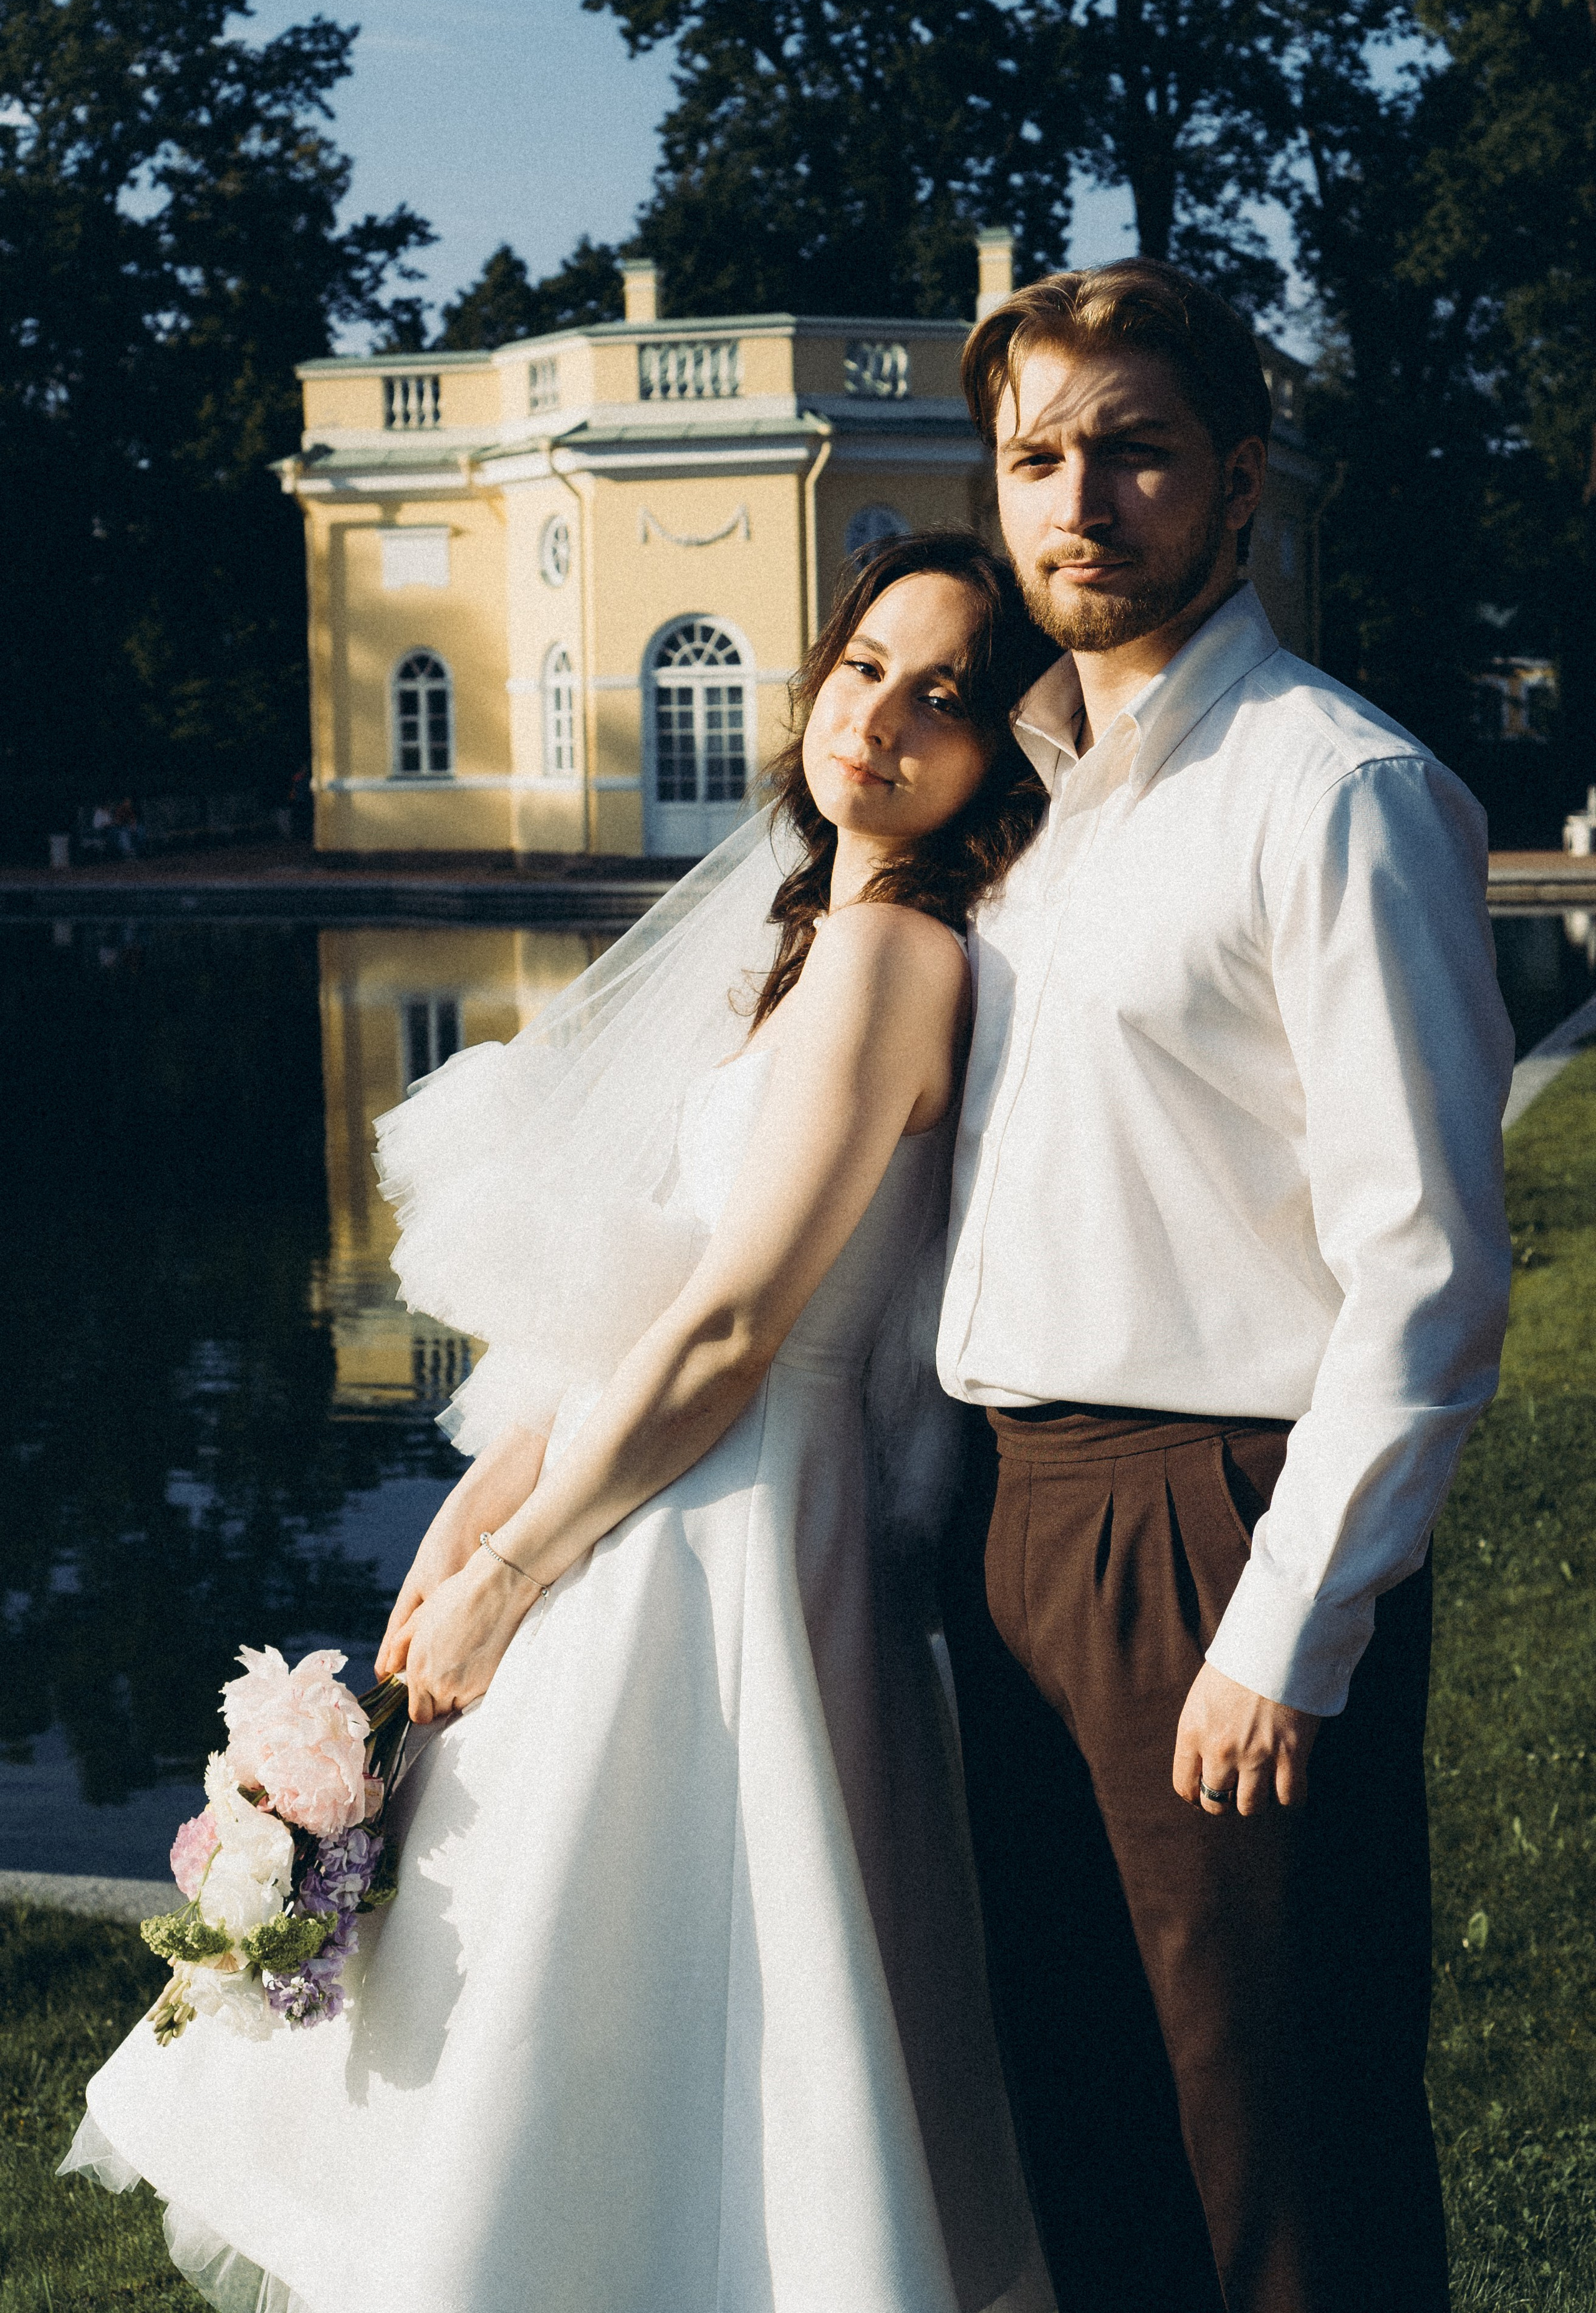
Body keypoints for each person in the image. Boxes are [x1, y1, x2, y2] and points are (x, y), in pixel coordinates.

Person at [63, 532, 1061, 2313]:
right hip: (657, 1479)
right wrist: (473, 1523)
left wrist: (519, 1565)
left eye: (947, 696)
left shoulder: (901, 956)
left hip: (736, 1520)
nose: (886, 721)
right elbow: (647, 1301)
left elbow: (744, 1326)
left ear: (1000, 752)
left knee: (687, 2000)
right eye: (864, 668)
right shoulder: (814, 940)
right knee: (552, 1985)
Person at [935, 258, 1514, 2313]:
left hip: (1214, 1521)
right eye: (1036, 459)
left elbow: (1430, 1265)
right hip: (1013, 1520)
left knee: (1279, 2140)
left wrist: (1286, 1623)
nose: (1080, 500)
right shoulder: (1033, 805)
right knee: (1084, 2117)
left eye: (1135, 453)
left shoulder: (1332, 793)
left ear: (1239, 480)